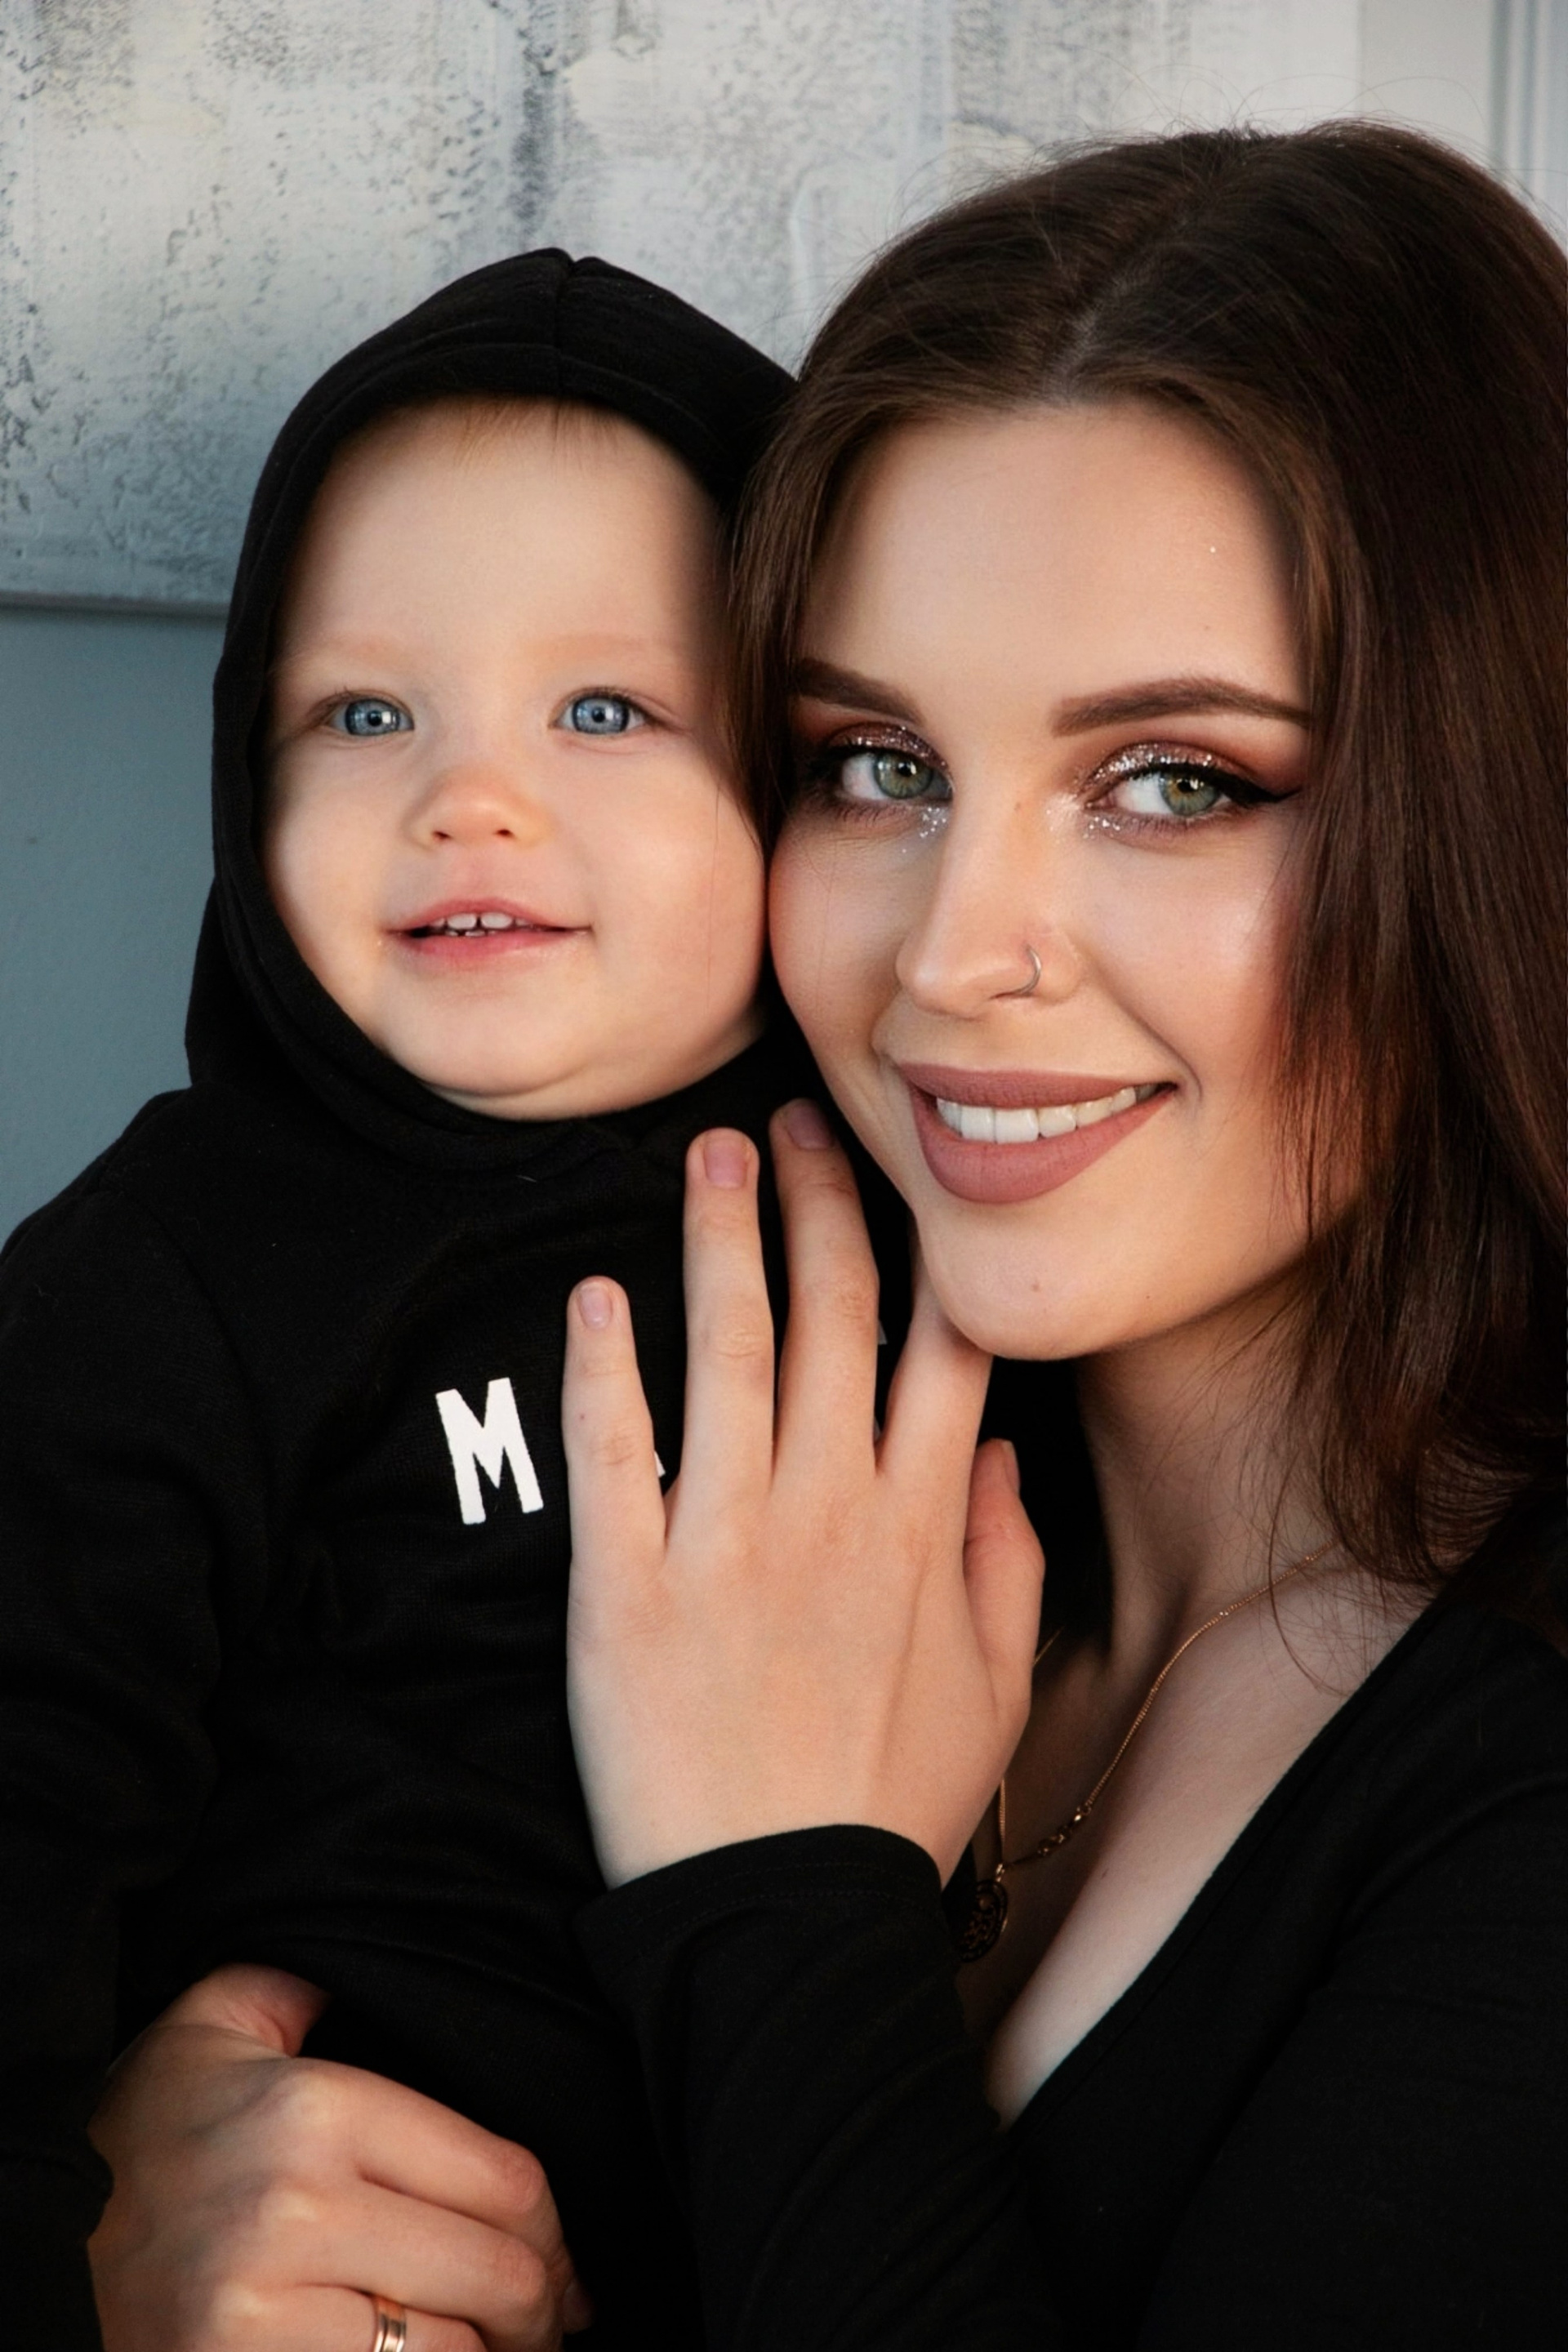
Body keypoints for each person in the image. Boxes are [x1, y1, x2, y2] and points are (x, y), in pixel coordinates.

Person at [85, 123, 1566, 2350]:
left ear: (1504, 813)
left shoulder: (1520, 1776)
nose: (956, 954)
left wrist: (771, 1894)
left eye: (1177, 781)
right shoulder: (611, 1476)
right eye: (874, 762)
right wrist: (139, 2225)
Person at [0, 247, 801, 2350]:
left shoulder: (926, 1226)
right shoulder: (165, 1283)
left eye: (607, 711)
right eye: (364, 713)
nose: (472, 796)